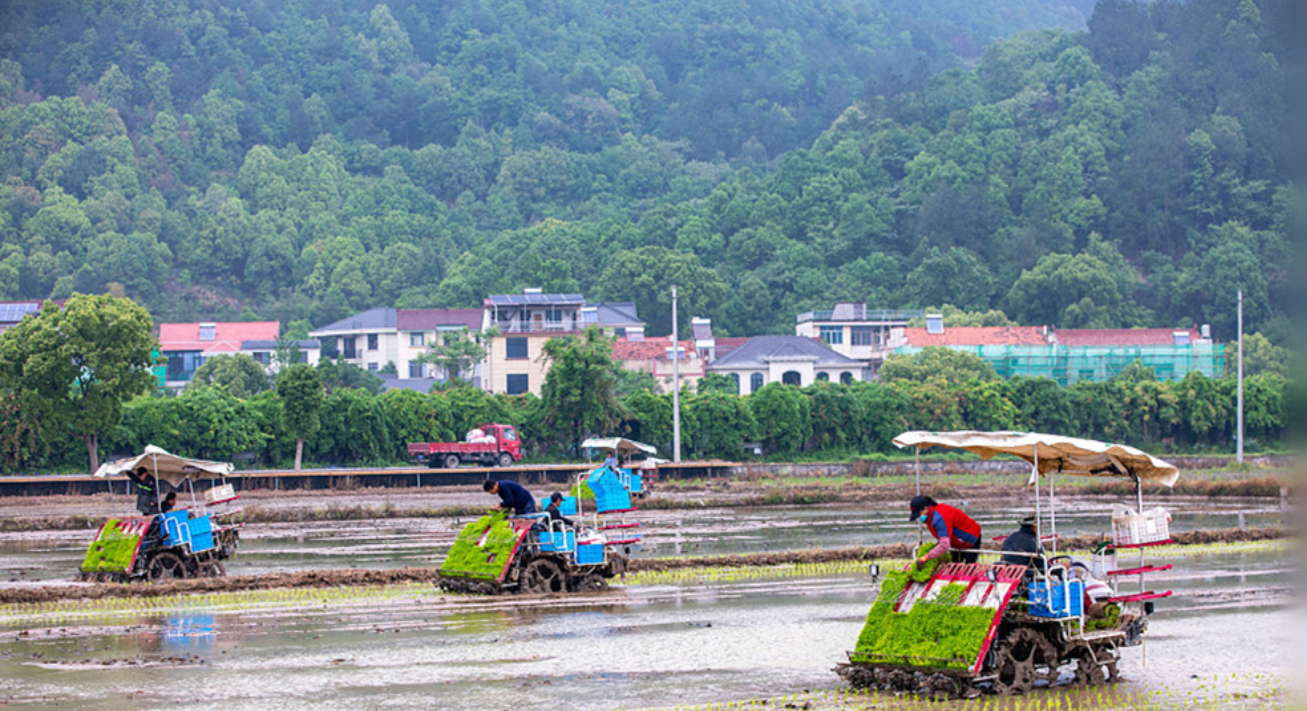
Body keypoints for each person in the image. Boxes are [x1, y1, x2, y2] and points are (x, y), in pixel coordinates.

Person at [910, 494, 982, 565]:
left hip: (971, 537)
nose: (919, 517)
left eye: (919, 515)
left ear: (925, 509)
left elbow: (944, 544)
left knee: (968, 568)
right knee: (954, 566)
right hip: (955, 541)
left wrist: (926, 557)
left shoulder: (939, 517)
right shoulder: (929, 518)